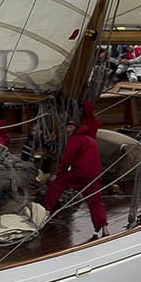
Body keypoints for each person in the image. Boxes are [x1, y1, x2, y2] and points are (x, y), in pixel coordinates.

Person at [42, 100, 109, 239]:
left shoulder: (75, 140)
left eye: (70, 127)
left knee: (56, 185)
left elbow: (67, 160)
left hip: (80, 174)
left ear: (75, 127)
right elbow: (92, 119)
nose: (67, 130)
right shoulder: (90, 136)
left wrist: (59, 174)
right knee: (95, 201)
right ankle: (104, 228)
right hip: (95, 175)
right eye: (66, 127)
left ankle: (45, 213)